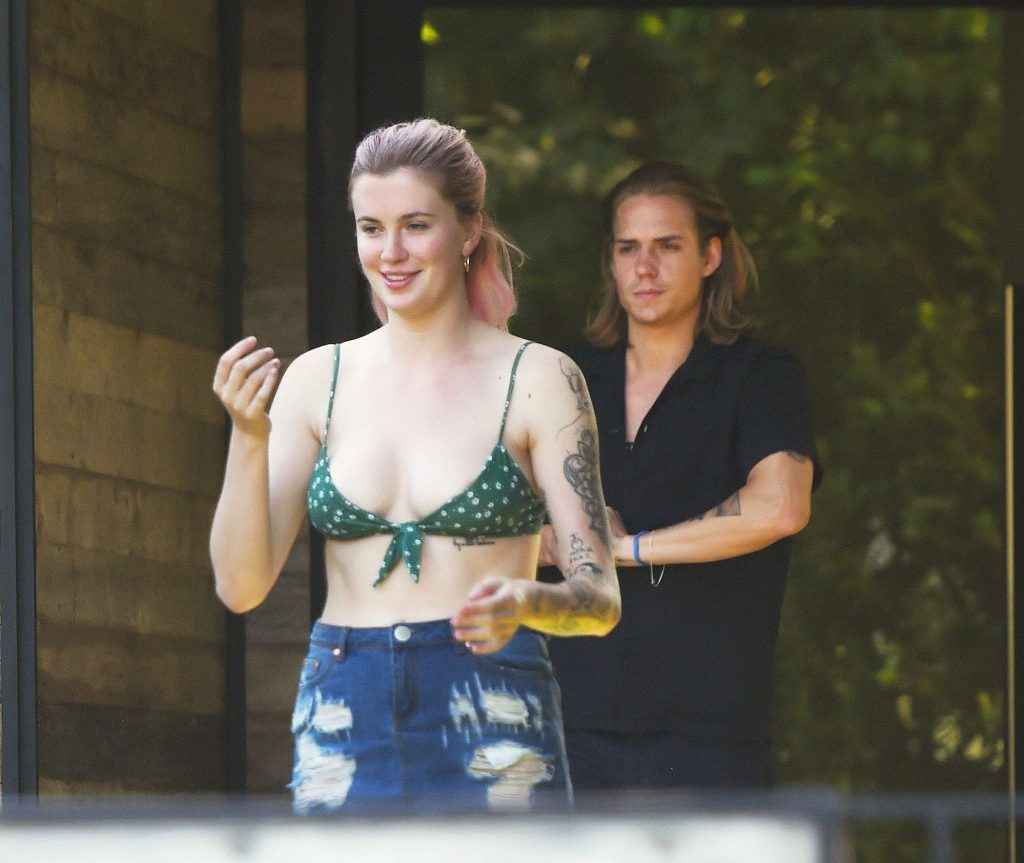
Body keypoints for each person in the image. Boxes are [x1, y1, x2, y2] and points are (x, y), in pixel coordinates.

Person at [209, 119, 620, 814]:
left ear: (469, 229)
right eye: (371, 228)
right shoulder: (317, 378)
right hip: (344, 697)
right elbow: (241, 587)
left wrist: (525, 601)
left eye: (416, 225)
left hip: (492, 699)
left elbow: (599, 600)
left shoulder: (539, 377)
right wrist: (248, 437)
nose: (391, 252)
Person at [540, 161, 822, 792]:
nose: (645, 268)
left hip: (710, 732)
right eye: (628, 248)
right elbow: (491, 526)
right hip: (567, 722)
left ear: (711, 256)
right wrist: (555, 539)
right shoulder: (561, 378)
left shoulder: (760, 376)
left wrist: (627, 549)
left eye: (667, 246)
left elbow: (780, 506)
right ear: (611, 262)